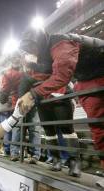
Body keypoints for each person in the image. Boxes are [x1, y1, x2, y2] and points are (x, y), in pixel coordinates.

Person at [18, 28, 104, 176]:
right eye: (27, 48)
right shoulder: (45, 55)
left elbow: (61, 76)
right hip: (87, 78)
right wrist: (31, 68)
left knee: (77, 128)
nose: (31, 50)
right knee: (98, 127)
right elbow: (43, 72)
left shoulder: (60, 43)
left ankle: (74, 161)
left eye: (32, 45)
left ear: (39, 41)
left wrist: (32, 94)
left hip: (90, 79)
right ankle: (57, 159)